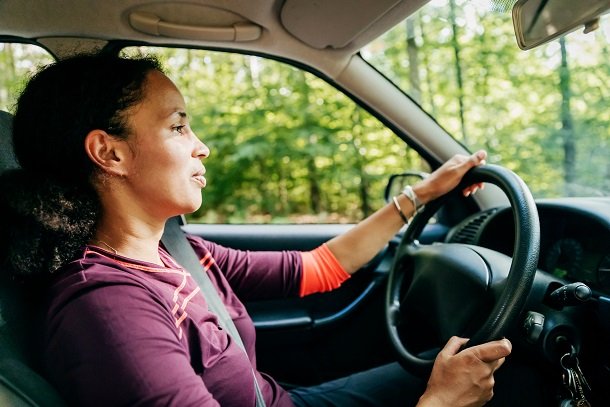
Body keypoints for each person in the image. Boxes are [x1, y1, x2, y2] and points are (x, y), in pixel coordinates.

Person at [0, 53, 510, 407]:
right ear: (109, 152)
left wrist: (421, 195)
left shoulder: (175, 250)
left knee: (473, 369)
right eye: (178, 126)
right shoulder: (108, 311)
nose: (202, 147)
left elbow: (318, 269)